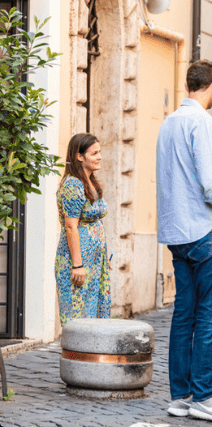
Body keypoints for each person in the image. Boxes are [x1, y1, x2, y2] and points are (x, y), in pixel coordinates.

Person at [156, 59, 212, 424]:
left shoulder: (168, 122)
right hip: (203, 230)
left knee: (183, 316)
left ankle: (182, 396)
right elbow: (211, 180)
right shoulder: (200, 121)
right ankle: (206, 398)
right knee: (209, 318)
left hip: (176, 231)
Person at [55, 133, 111, 326]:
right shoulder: (72, 185)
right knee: (78, 320)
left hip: (94, 262)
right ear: (79, 156)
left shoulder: (91, 182)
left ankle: (91, 357)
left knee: (94, 317)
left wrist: (103, 257)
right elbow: (71, 226)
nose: (99, 157)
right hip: (78, 263)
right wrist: (77, 264)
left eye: (99, 152)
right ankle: (76, 357)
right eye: (94, 153)